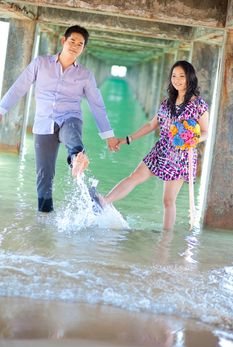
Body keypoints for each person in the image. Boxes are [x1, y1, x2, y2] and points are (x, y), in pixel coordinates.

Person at [0, 25, 119, 213]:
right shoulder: (41, 63)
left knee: (72, 134)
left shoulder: (85, 75)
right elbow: (19, 86)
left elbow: (97, 105)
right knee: (44, 176)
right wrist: (2, 109)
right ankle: (45, 216)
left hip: (69, 118)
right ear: (63, 41)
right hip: (43, 124)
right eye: (72, 41)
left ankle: (77, 158)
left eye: (80, 44)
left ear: (83, 49)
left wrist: (108, 135)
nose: (75, 46)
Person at [100, 61, 209, 230]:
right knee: (134, 177)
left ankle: (166, 238)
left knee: (168, 201)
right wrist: (127, 139)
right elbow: (151, 125)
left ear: (190, 78)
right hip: (161, 149)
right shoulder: (167, 103)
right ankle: (104, 201)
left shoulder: (198, 105)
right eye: (174, 76)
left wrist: (193, 140)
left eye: (182, 76)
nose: (177, 80)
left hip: (181, 156)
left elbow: (206, 132)